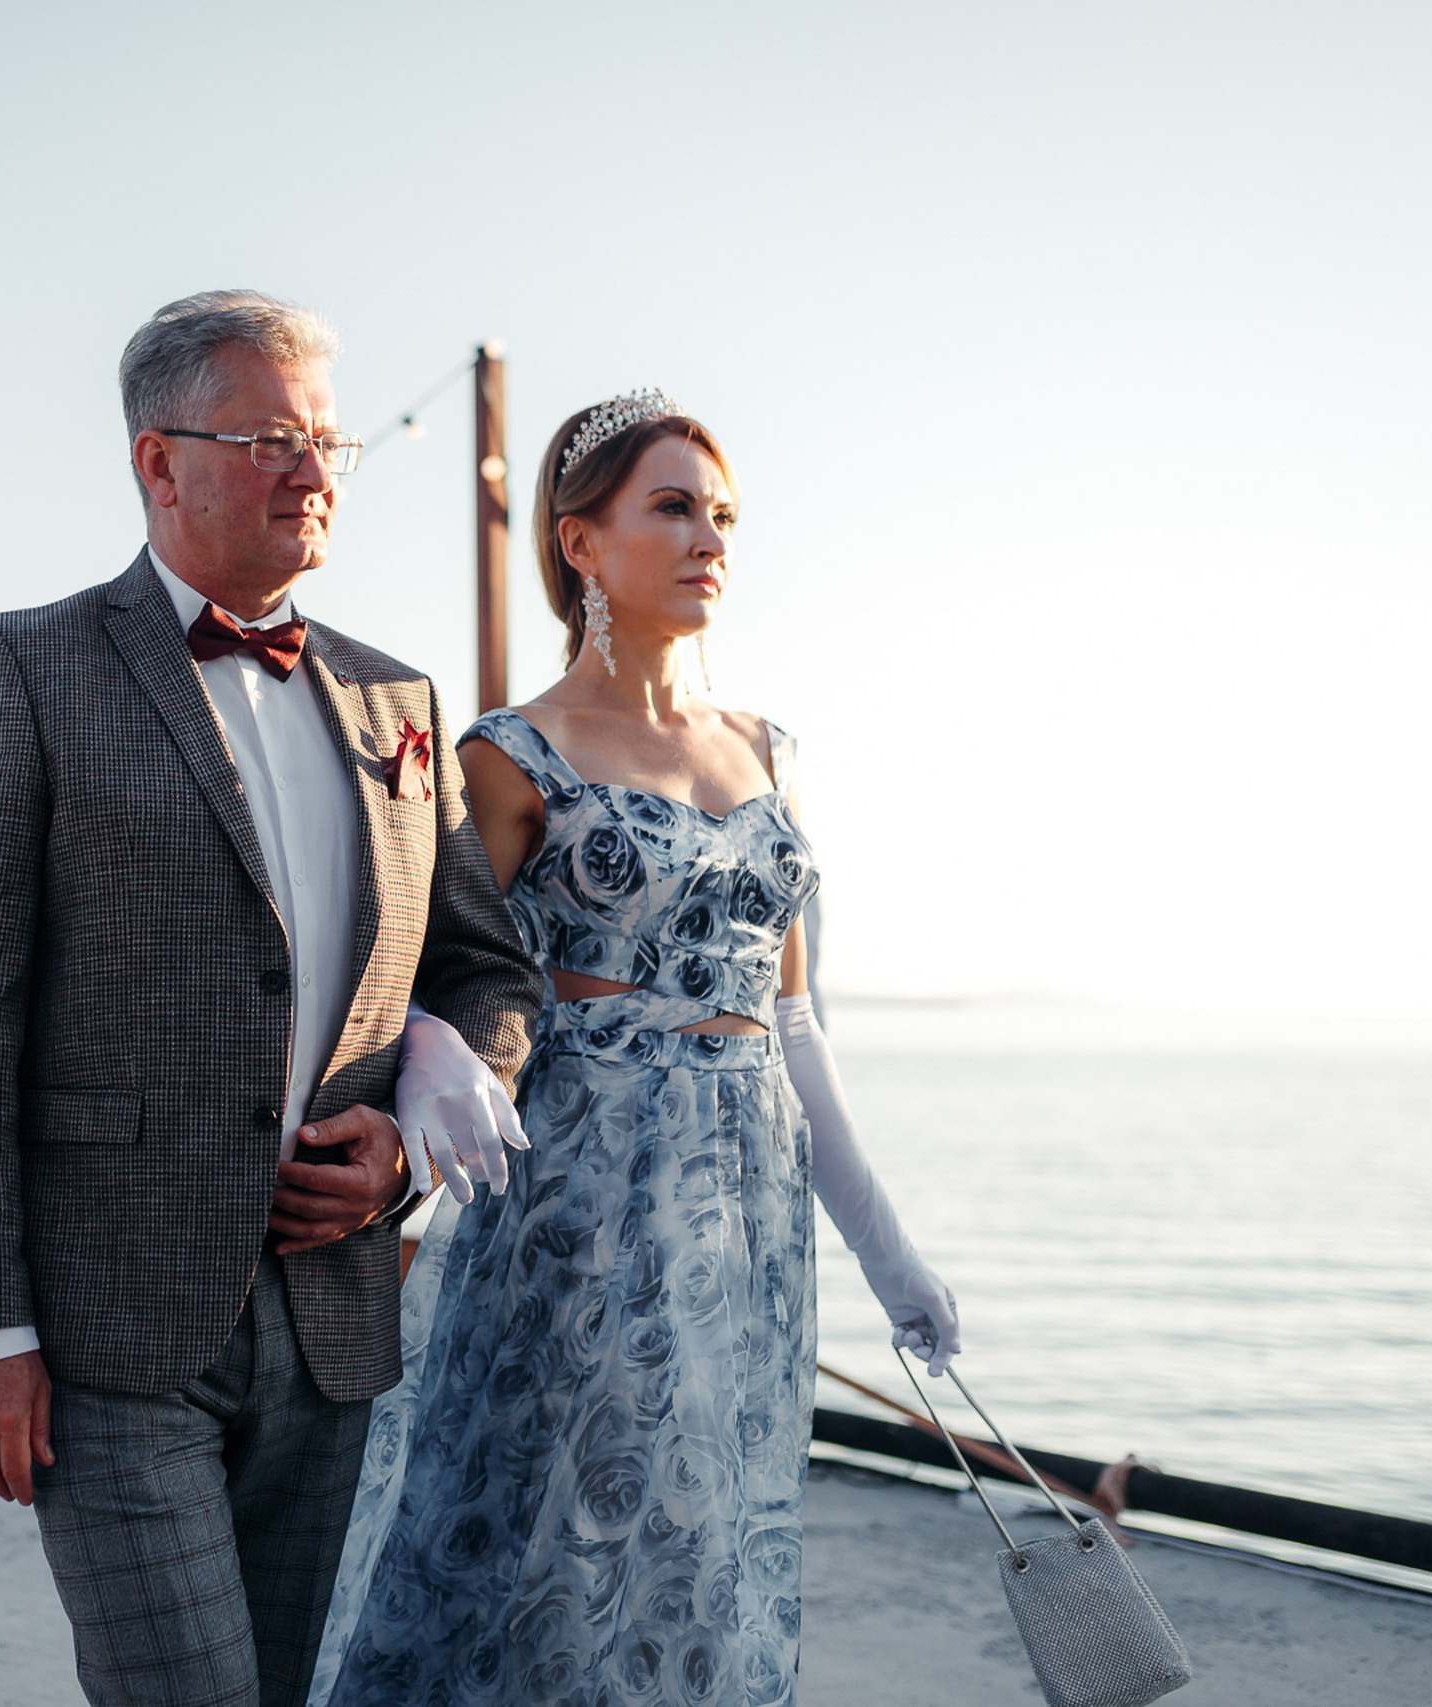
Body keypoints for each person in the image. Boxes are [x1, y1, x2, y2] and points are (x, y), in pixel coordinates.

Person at [0, 290, 545, 1707]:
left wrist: (407, 1147)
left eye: (327, 440)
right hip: (105, 1324)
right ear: (157, 459)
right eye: (267, 436)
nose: (311, 470)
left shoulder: (395, 697)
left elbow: (486, 968)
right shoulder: (19, 666)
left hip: (332, 1317)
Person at [308, 392, 962, 1706]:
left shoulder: (769, 750)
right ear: (582, 543)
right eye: (670, 505)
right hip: (582, 1204)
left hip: (750, 1221)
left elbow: (791, 1022)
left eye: (722, 513)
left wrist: (891, 1256)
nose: (708, 535)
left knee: (707, 1551)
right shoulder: (507, 755)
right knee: (558, 1545)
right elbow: (424, 986)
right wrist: (425, 1094)